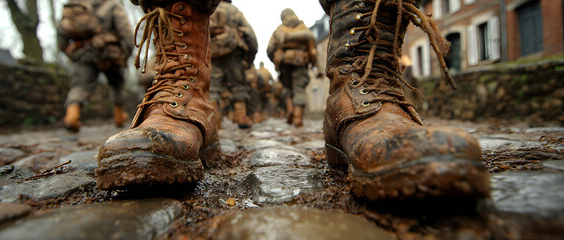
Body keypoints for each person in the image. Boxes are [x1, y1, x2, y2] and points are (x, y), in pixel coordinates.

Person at [97, 0, 490, 202]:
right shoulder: (280, 27)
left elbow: (262, 44)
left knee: (256, 90)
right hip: (264, 65)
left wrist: (260, 59)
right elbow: (257, 42)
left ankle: (359, 89)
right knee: (248, 89)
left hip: (272, 66)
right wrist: (256, 58)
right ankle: (188, 99)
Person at [57, 0, 134, 132]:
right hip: (109, 52)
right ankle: (119, 116)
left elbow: (62, 39)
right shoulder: (111, 4)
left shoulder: (72, 6)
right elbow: (125, 30)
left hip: (83, 53)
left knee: (80, 85)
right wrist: (126, 52)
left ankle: (71, 116)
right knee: (116, 83)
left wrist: (75, 53)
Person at [209, 0, 258, 129]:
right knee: (238, 86)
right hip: (233, 54)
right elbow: (250, 35)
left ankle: (214, 123)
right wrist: (250, 58)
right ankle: (242, 118)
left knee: (213, 88)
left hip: (211, 53)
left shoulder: (208, 8)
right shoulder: (233, 10)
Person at [266, 9, 317, 127]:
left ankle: (290, 110)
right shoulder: (303, 28)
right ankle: (298, 117)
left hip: (284, 62)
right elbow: (312, 48)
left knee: (287, 88)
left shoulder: (279, 29)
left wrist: (276, 60)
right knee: (299, 89)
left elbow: (270, 49)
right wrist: (313, 64)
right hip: (300, 62)